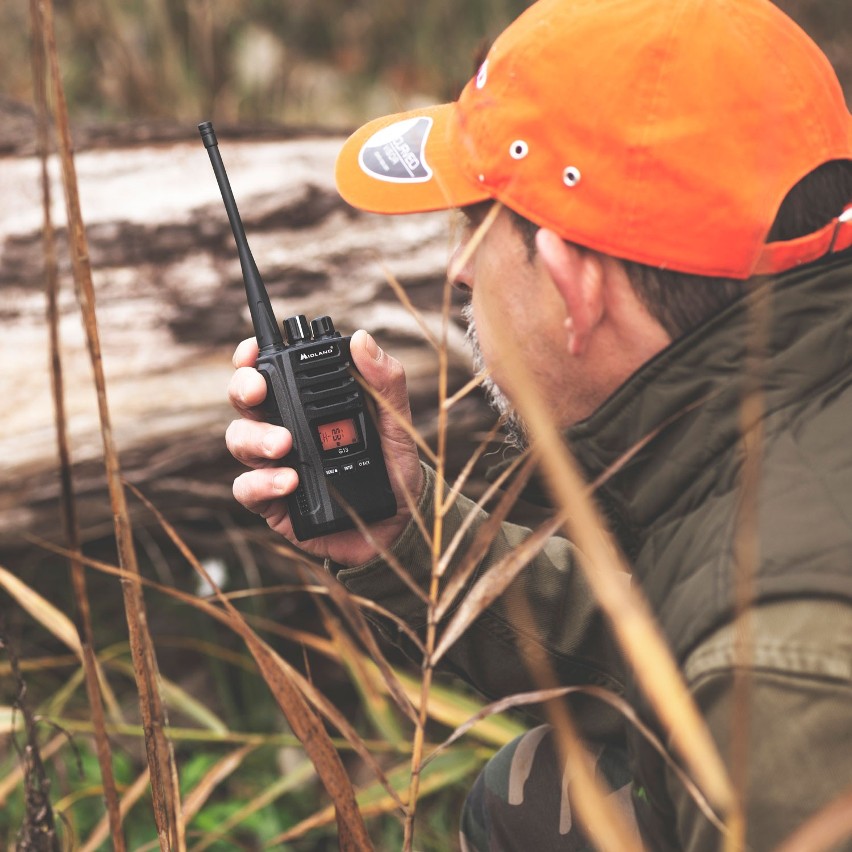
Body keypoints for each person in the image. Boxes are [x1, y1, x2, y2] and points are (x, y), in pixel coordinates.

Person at [225, 0, 852, 848]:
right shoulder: (780, 442)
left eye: (475, 229)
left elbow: (742, 652)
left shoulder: (776, 682)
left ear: (572, 283)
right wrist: (409, 541)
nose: (456, 274)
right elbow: (665, 641)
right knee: (532, 797)